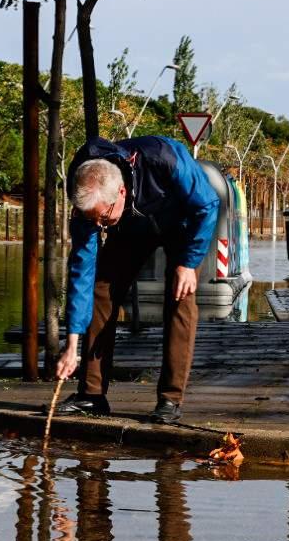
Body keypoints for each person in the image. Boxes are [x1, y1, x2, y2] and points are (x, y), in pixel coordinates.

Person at [55, 135, 220, 424]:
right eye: (92, 220)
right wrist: (71, 344)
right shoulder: (87, 192)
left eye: (103, 220)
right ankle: (92, 395)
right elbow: (82, 269)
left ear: (121, 192)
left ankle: (170, 399)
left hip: (180, 223)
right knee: (100, 291)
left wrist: (188, 263)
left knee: (181, 295)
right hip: (131, 226)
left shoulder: (166, 160)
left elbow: (207, 204)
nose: (98, 227)